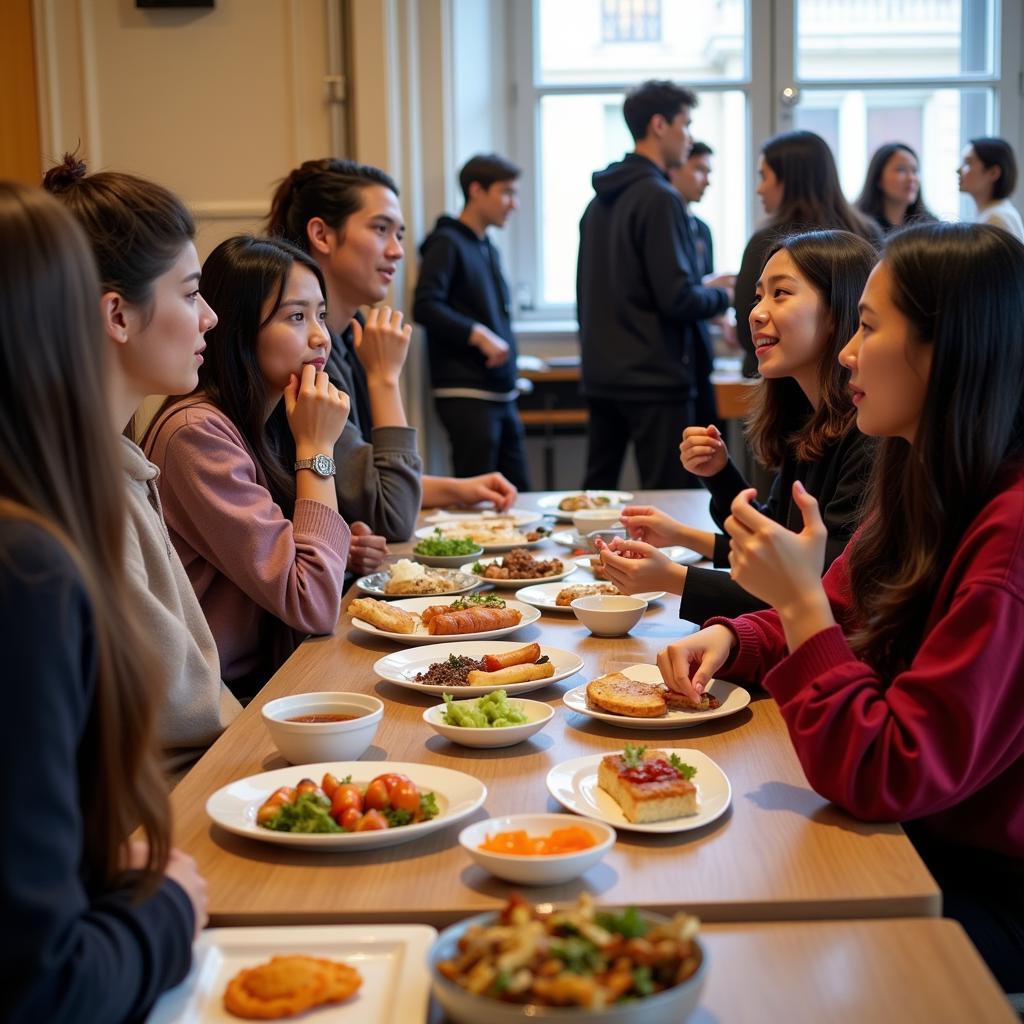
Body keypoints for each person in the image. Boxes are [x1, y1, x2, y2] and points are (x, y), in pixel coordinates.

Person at [658, 222, 1024, 993]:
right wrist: (735, 638)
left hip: (982, 882)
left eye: (867, 325)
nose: (849, 353)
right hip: (915, 830)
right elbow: (841, 607)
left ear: (944, 349)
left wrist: (795, 610)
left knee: (740, 968)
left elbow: (888, 768)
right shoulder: (922, 472)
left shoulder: (1008, 540)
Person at [0, 181, 207, 1022]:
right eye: (191, 295)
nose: (210, 318)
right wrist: (164, 908)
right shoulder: (28, 561)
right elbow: (45, 985)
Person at [42, 154, 240, 775]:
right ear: (117, 316)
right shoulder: (78, 486)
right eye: (189, 293)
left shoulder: (110, 459)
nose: (209, 316)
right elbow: (182, 712)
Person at [597, 230, 875, 622]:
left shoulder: (869, 437)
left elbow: (809, 589)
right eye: (758, 296)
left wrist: (675, 577)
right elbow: (773, 538)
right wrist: (719, 475)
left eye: (781, 294)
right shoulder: (813, 420)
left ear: (836, 310)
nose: (757, 312)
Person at [144, 236, 352, 698]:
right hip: (222, 704)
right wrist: (318, 447)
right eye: (296, 317)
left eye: (320, 314)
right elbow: (314, 604)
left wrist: (343, 550)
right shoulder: (197, 434)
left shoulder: (268, 418)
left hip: (270, 680)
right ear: (239, 329)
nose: (321, 336)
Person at [266, 158, 520, 518]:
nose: (397, 250)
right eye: (381, 229)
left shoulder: (348, 333)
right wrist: (384, 378)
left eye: (398, 234)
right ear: (322, 234)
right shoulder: (307, 356)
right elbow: (392, 513)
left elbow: (375, 478)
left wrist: (459, 489)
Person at [576, 80, 735, 489]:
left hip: (602, 375)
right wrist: (724, 294)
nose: (690, 136)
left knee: (597, 498)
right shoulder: (660, 199)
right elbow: (677, 298)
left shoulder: (598, 203)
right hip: (654, 379)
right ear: (660, 125)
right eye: (686, 123)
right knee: (672, 497)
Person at [414, 153, 530, 491]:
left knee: (518, 490)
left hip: (499, 392)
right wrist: (477, 335)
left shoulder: (486, 247)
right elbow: (425, 305)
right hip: (467, 392)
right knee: (477, 496)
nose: (514, 204)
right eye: (506, 192)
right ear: (476, 190)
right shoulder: (447, 243)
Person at [736, 130, 879, 377]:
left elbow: (744, 334)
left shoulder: (767, 244)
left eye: (764, 177)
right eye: (760, 297)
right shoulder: (868, 233)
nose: (759, 189)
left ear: (790, 180)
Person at [669, 140, 736, 420]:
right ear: (674, 169)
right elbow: (676, 295)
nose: (706, 181)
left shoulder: (702, 230)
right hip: (671, 359)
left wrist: (723, 318)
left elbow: (703, 301)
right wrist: (711, 290)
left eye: (709, 172)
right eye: (699, 169)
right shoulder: (662, 223)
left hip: (699, 355)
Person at [855, 142, 937, 234]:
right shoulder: (858, 226)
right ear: (878, 178)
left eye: (914, 171)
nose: (911, 178)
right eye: (901, 170)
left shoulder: (931, 226)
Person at [958, 136, 1024, 242]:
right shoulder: (997, 212)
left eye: (968, 163)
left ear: (993, 172)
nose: (958, 170)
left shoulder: (994, 220)